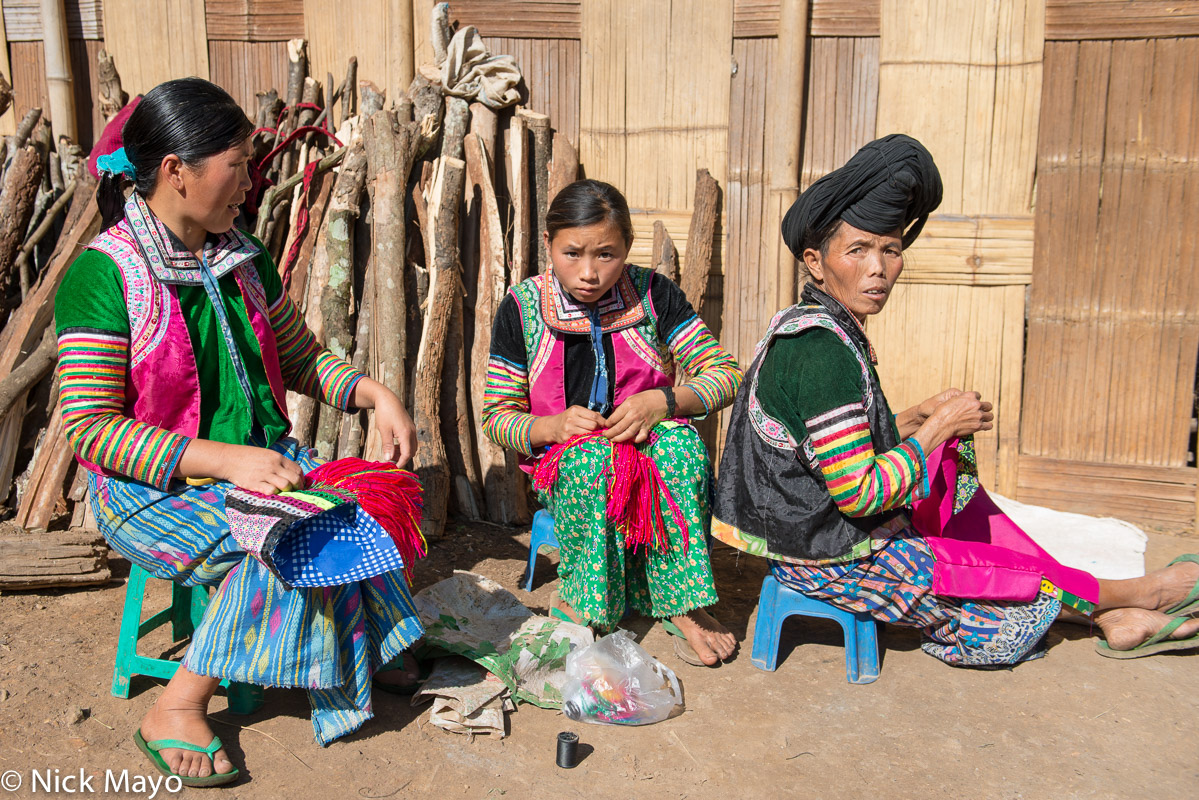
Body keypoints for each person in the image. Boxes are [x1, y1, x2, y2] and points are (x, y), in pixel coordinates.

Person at [56, 78, 426, 787]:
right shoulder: (104, 276)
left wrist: (370, 393)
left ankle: (359, 642)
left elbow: (299, 354)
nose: (250, 182)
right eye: (238, 164)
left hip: (261, 468)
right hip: (150, 490)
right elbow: (93, 431)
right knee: (293, 539)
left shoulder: (238, 256)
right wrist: (225, 461)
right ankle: (178, 705)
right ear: (175, 170)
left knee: (377, 500)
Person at [713, 134, 1199, 668]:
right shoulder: (821, 349)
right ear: (815, 260)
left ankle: (1117, 613)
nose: (878, 267)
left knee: (976, 535)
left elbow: (828, 449)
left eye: (891, 249)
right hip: (826, 555)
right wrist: (937, 430)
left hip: (808, 530)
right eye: (858, 250)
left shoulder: (812, 324)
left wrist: (915, 417)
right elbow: (859, 491)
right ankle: (1140, 597)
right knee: (997, 581)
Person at [481, 179, 743, 666]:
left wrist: (663, 402)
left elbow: (726, 376)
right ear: (548, 245)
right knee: (593, 463)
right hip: (568, 459)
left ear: (626, 248)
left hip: (649, 444)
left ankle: (683, 603)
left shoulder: (653, 295)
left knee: (682, 449)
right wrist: (552, 426)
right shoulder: (522, 308)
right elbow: (496, 418)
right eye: (572, 253)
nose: (588, 272)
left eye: (606, 255)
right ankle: (586, 602)